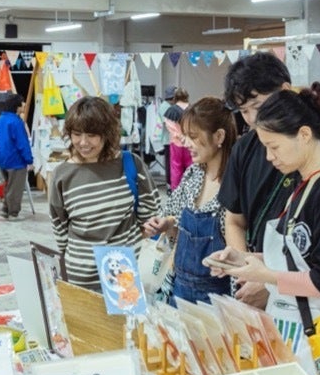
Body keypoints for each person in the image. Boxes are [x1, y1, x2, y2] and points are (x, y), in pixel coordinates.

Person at [207, 87, 320, 375]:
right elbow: (297, 257)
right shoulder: (304, 186)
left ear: (304, 135)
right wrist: (242, 260)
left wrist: (266, 276)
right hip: (293, 331)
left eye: (274, 147)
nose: (269, 157)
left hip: (319, 339)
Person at [219, 52, 320, 309]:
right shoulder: (244, 148)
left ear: (286, 91)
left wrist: (270, 282)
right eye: (244, 111)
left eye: (258, 106)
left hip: (308, 305)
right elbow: (234, 220)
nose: (252, 119)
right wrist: (248, 272)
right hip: (254, 287)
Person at [48, 96, 159, 290]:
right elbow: (60, 229)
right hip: (80, 279)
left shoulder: (130, 164)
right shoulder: (61, 175)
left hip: (124, 279)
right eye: (76, 134)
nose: (83, 142)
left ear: (107, 133)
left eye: (92, 135)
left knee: (126, 313)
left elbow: (150, 216)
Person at [143, 96, 237, 304]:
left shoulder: (236, 182)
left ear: (219, 136)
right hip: (179, 289)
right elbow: (173, 213)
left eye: (193, 136)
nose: (185, 143)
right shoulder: (193, 174)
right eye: (185, 135)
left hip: (217, 300)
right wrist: (166, 223)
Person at [0, 93, 32, 219]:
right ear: (17, 105)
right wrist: (29, 159)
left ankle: (5, 209)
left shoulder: (1, 119)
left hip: (2, 158)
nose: (24, 104)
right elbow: (22, 143)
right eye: (22, 102)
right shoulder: (16, 121)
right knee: (16, 188)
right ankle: (13, 213)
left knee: (9, 185)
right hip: (16, 160)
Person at [162, 87, 193, 190]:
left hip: (176, 143)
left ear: (175, 97)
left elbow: (170, 127)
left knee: (176, 167)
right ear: (187, 96)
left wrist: (179, 136)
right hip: (190, 143)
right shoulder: (192, 109)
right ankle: (190, 190)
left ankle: (176, 191)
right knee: (191, 167)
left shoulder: (171, 110)